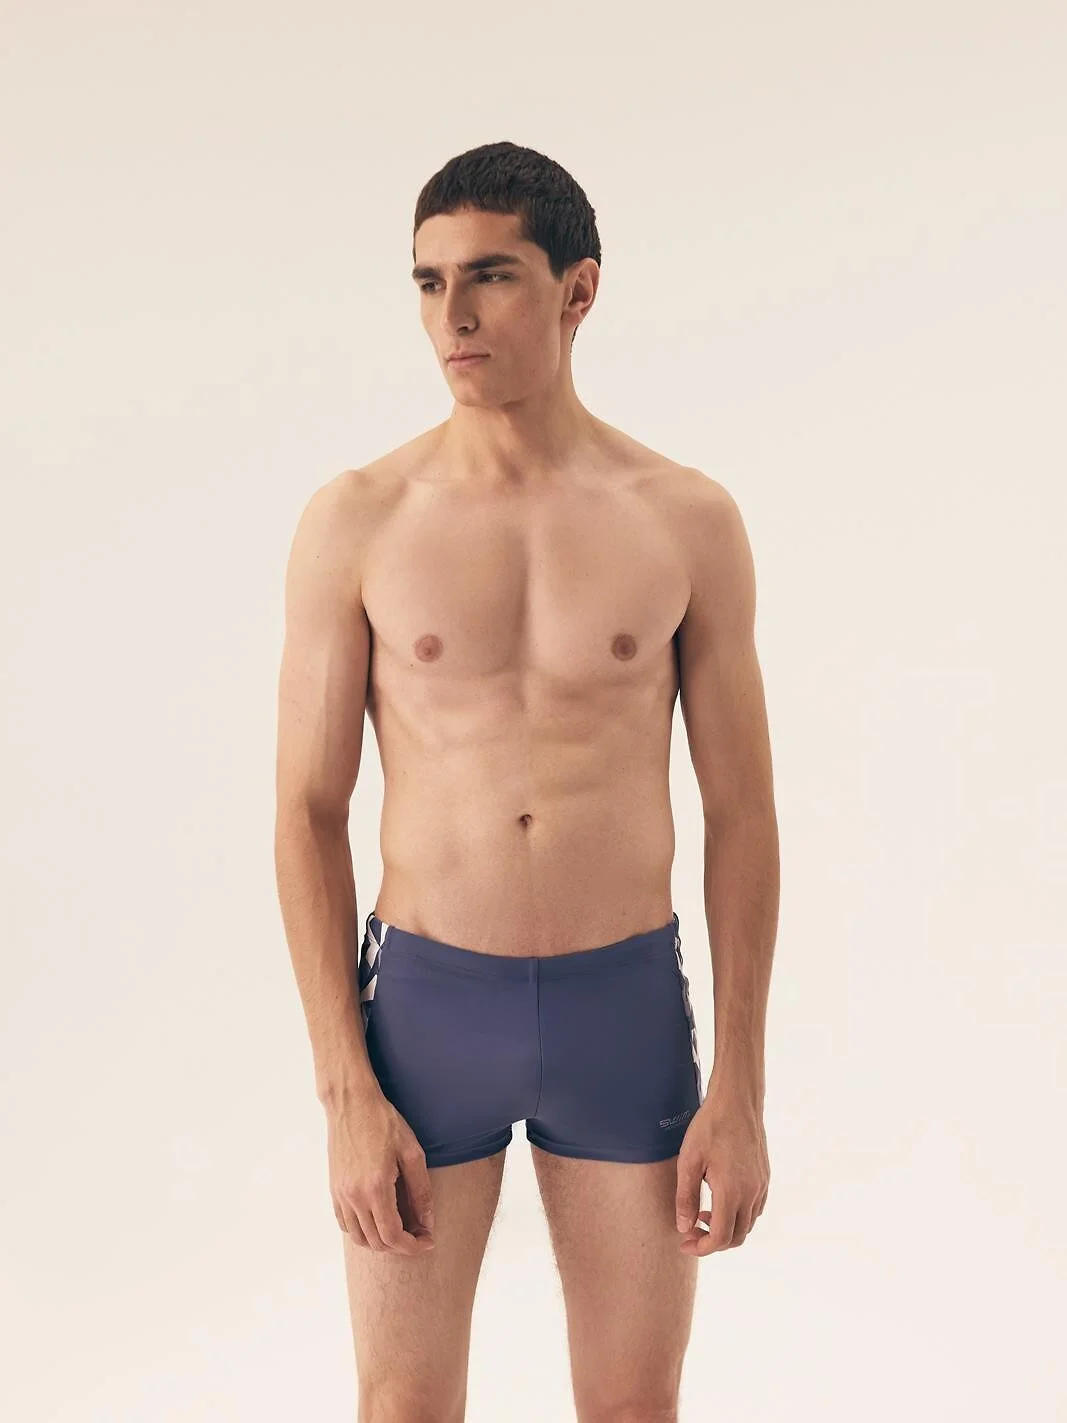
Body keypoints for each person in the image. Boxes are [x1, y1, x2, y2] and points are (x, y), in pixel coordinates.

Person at [274, 140, 778, 1423]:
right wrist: (344, 1091)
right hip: (426, 1011)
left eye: (490, 276)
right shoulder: (358, 519)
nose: (452, 314)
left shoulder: (684, 518)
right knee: (402, 1406)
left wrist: (740, 1086)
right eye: (427, 281)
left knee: (631, 1406)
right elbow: (306, 811)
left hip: (624, 1005)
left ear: (576, 290)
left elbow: (741, 812)